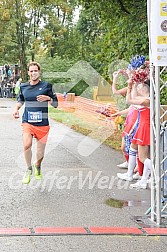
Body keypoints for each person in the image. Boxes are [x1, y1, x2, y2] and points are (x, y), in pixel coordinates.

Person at [13, 61, 58, 184]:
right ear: (28, 72)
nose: (33, 73)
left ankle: (37, 165)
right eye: (31, 71)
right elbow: (20, 100)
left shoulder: (47, 86)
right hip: (27, 122)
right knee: (27, 145)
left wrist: (48, 98)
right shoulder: (23, 86)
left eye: (35, 70)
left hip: (42, 123)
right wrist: (16, 109)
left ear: (39, 72)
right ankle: (28, 168)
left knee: (40, 152)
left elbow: (56, 104)